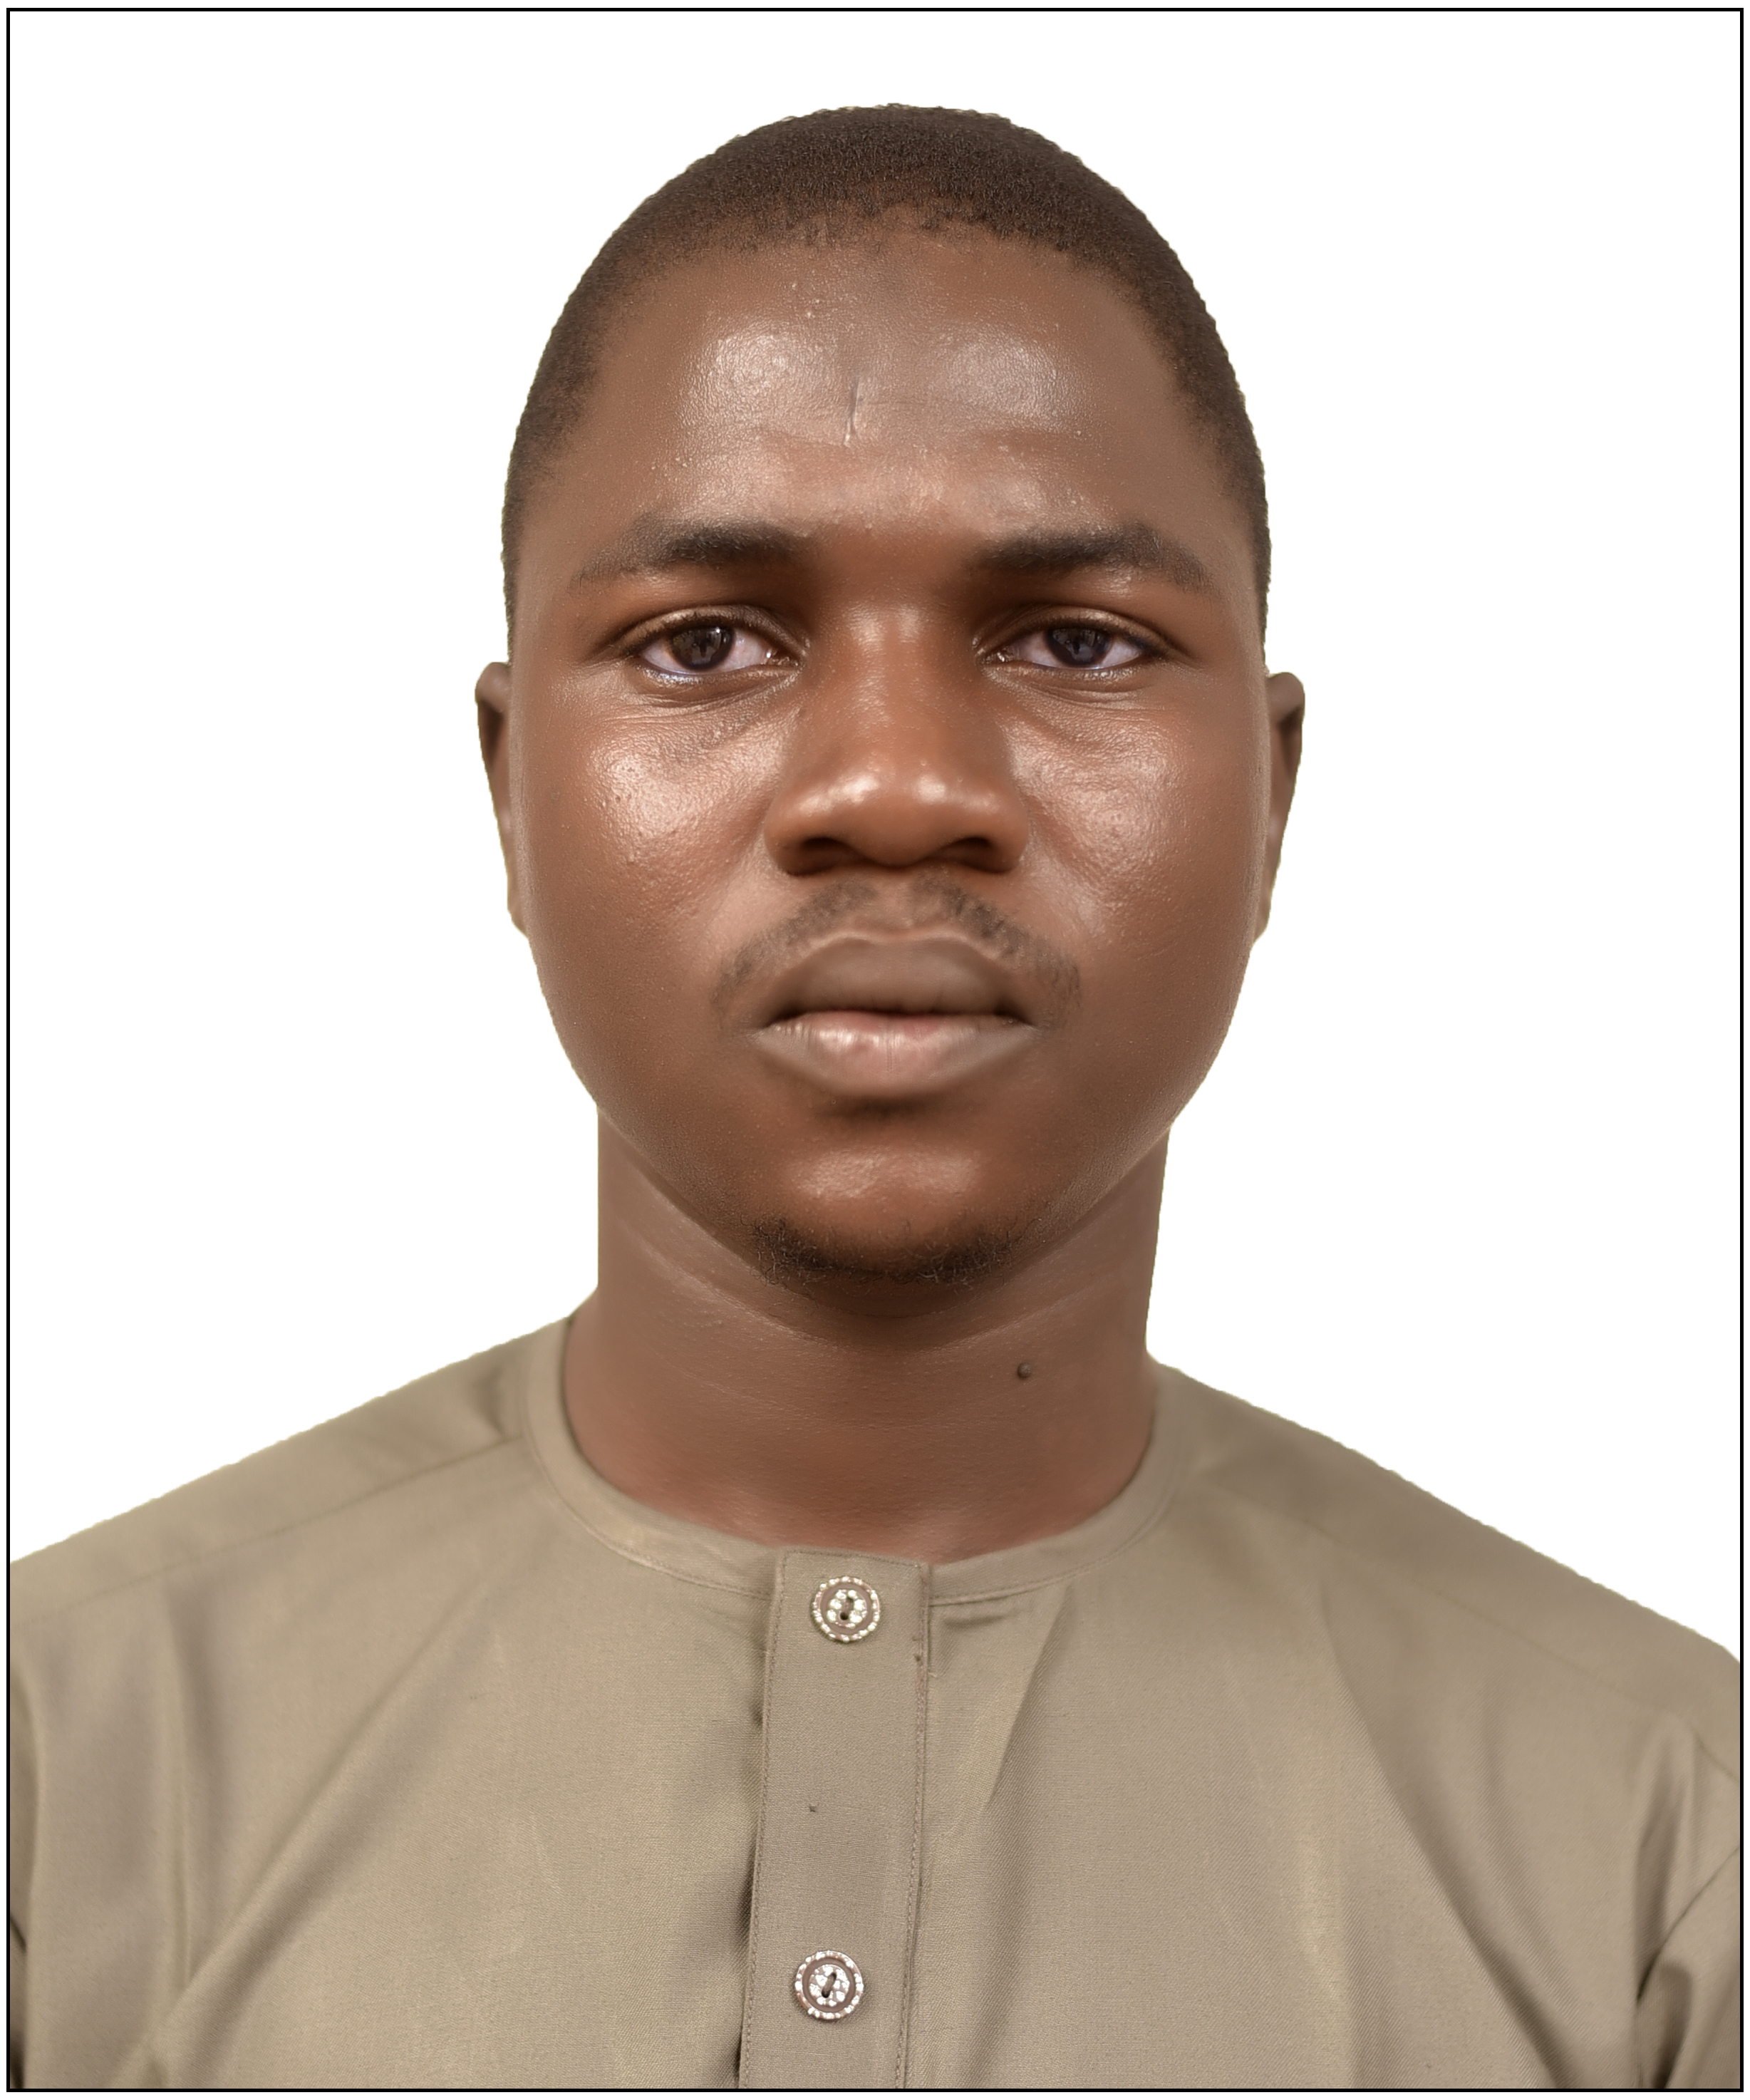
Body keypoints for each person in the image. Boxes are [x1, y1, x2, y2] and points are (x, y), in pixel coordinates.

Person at [9, 105, 1737, 2091]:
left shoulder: (1663, 1857)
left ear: (1273, 799)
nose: (897, 786)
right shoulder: (59, 1775)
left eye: (1076, 640)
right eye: (706, 643)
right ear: (510, 791)